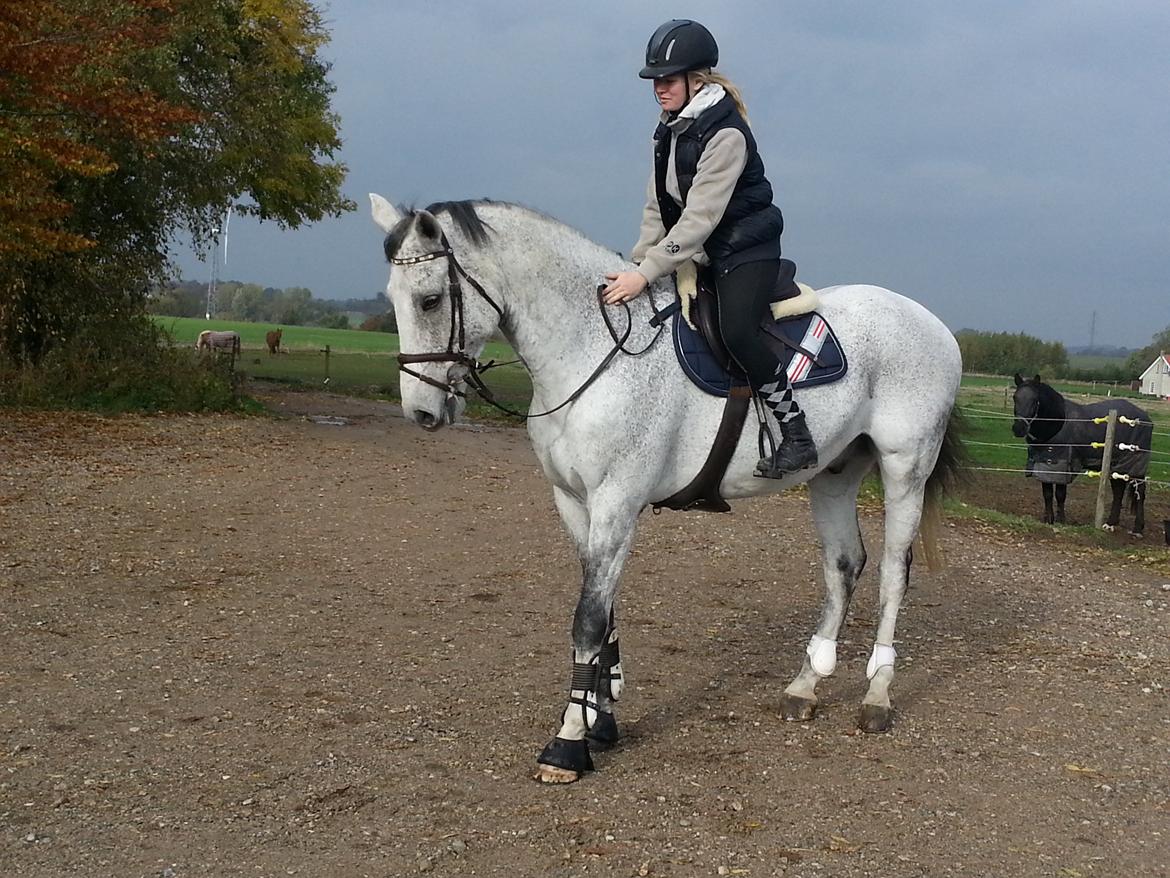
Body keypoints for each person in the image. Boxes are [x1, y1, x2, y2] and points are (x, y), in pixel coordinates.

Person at [601, 18, 817, 477]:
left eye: (668, 79)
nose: (659, 88)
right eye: (655, 80)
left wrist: (648, 272)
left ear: (696, 80)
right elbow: (658, 205)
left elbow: (700, 217)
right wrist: (640, 262)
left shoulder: (726, 136)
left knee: (737, 330)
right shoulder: (670, 129)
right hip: (702, 250)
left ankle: (796, 433)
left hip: (745, 250)